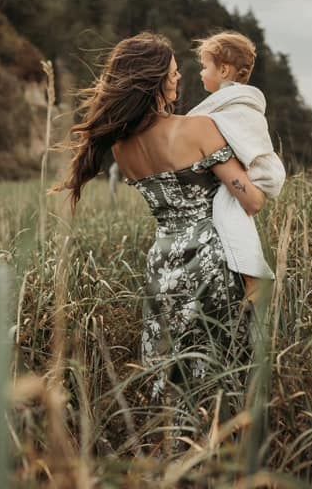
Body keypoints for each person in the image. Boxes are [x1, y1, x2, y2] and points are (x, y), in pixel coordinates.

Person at [52, 32, 266, 446]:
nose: (177, 82)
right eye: (170, 76)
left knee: (172, 374)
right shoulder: (198, 129)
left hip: (163, 262)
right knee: (223, 371)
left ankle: (175, 457)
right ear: (153, 82)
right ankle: (222, 460)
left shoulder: (123, 148)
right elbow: (252, 200)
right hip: (212, 260)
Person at [188, 31, 285, 302]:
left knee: (227, 210)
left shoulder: (232, 102)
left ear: (223, 69)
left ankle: (254, 278)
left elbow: (199, 121)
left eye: (204, 67)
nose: (200, 72)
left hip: (257, 173)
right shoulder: (233, 100)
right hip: (254, 172)